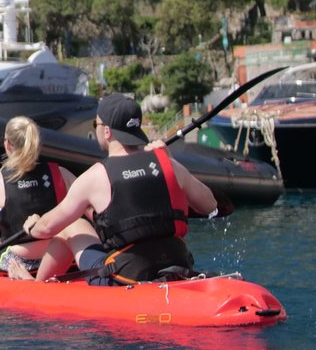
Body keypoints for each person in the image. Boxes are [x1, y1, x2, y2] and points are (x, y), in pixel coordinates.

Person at [22, 93, 219, 285]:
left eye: (96, 125)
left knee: (70, 227)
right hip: (178, 264)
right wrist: (170, 160)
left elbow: (48, 227)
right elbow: (210, 205)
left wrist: (33, 226)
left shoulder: (95, 176)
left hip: (125, 276)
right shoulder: (169, 164)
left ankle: (36, 288)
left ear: (107, 131)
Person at [0, 116, 99, 279]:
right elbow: (90, 209)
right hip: (58, 259)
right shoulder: (60, 173)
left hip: (15, 264)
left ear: (8, 144)